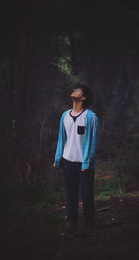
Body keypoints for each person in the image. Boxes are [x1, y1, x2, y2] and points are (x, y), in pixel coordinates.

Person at [53, 84, 99, 230]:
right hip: (68, 162)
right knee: (71, 193)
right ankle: (71, 221)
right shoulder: (64, 116)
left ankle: (89, 222)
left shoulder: (91, 117)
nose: (74, 90)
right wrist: (58, 159)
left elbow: (93, 143)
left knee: (86, 194)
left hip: (84, 163)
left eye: (78, 90)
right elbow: (61, 139)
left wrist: (87, 163)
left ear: (83, 97)